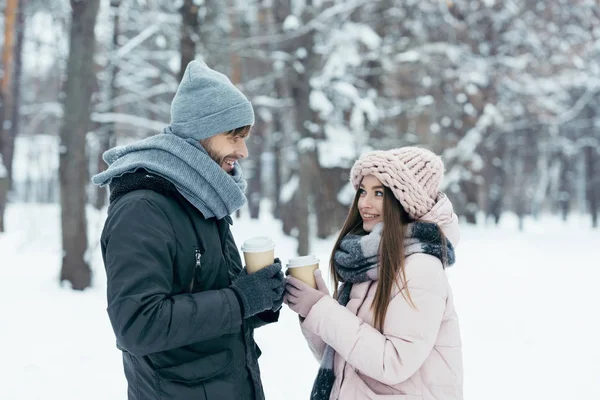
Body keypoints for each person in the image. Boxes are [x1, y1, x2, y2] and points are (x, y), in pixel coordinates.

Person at [92, 60, 285, 400]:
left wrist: (261, 296)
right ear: (202, 131)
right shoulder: (143, 210)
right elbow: (138, 325)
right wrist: (241, 300)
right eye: (233, 137)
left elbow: (211, 303)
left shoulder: (204, 200)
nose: (243, 151)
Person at [285, 147, 463, 400]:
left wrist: (323, 310)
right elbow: (344, 359)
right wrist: (313, 311)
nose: (364, 204)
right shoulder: (369, 263)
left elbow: (392, 363)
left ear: (406, 202)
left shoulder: (421, 267)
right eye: (363, 191)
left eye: (379, 193)